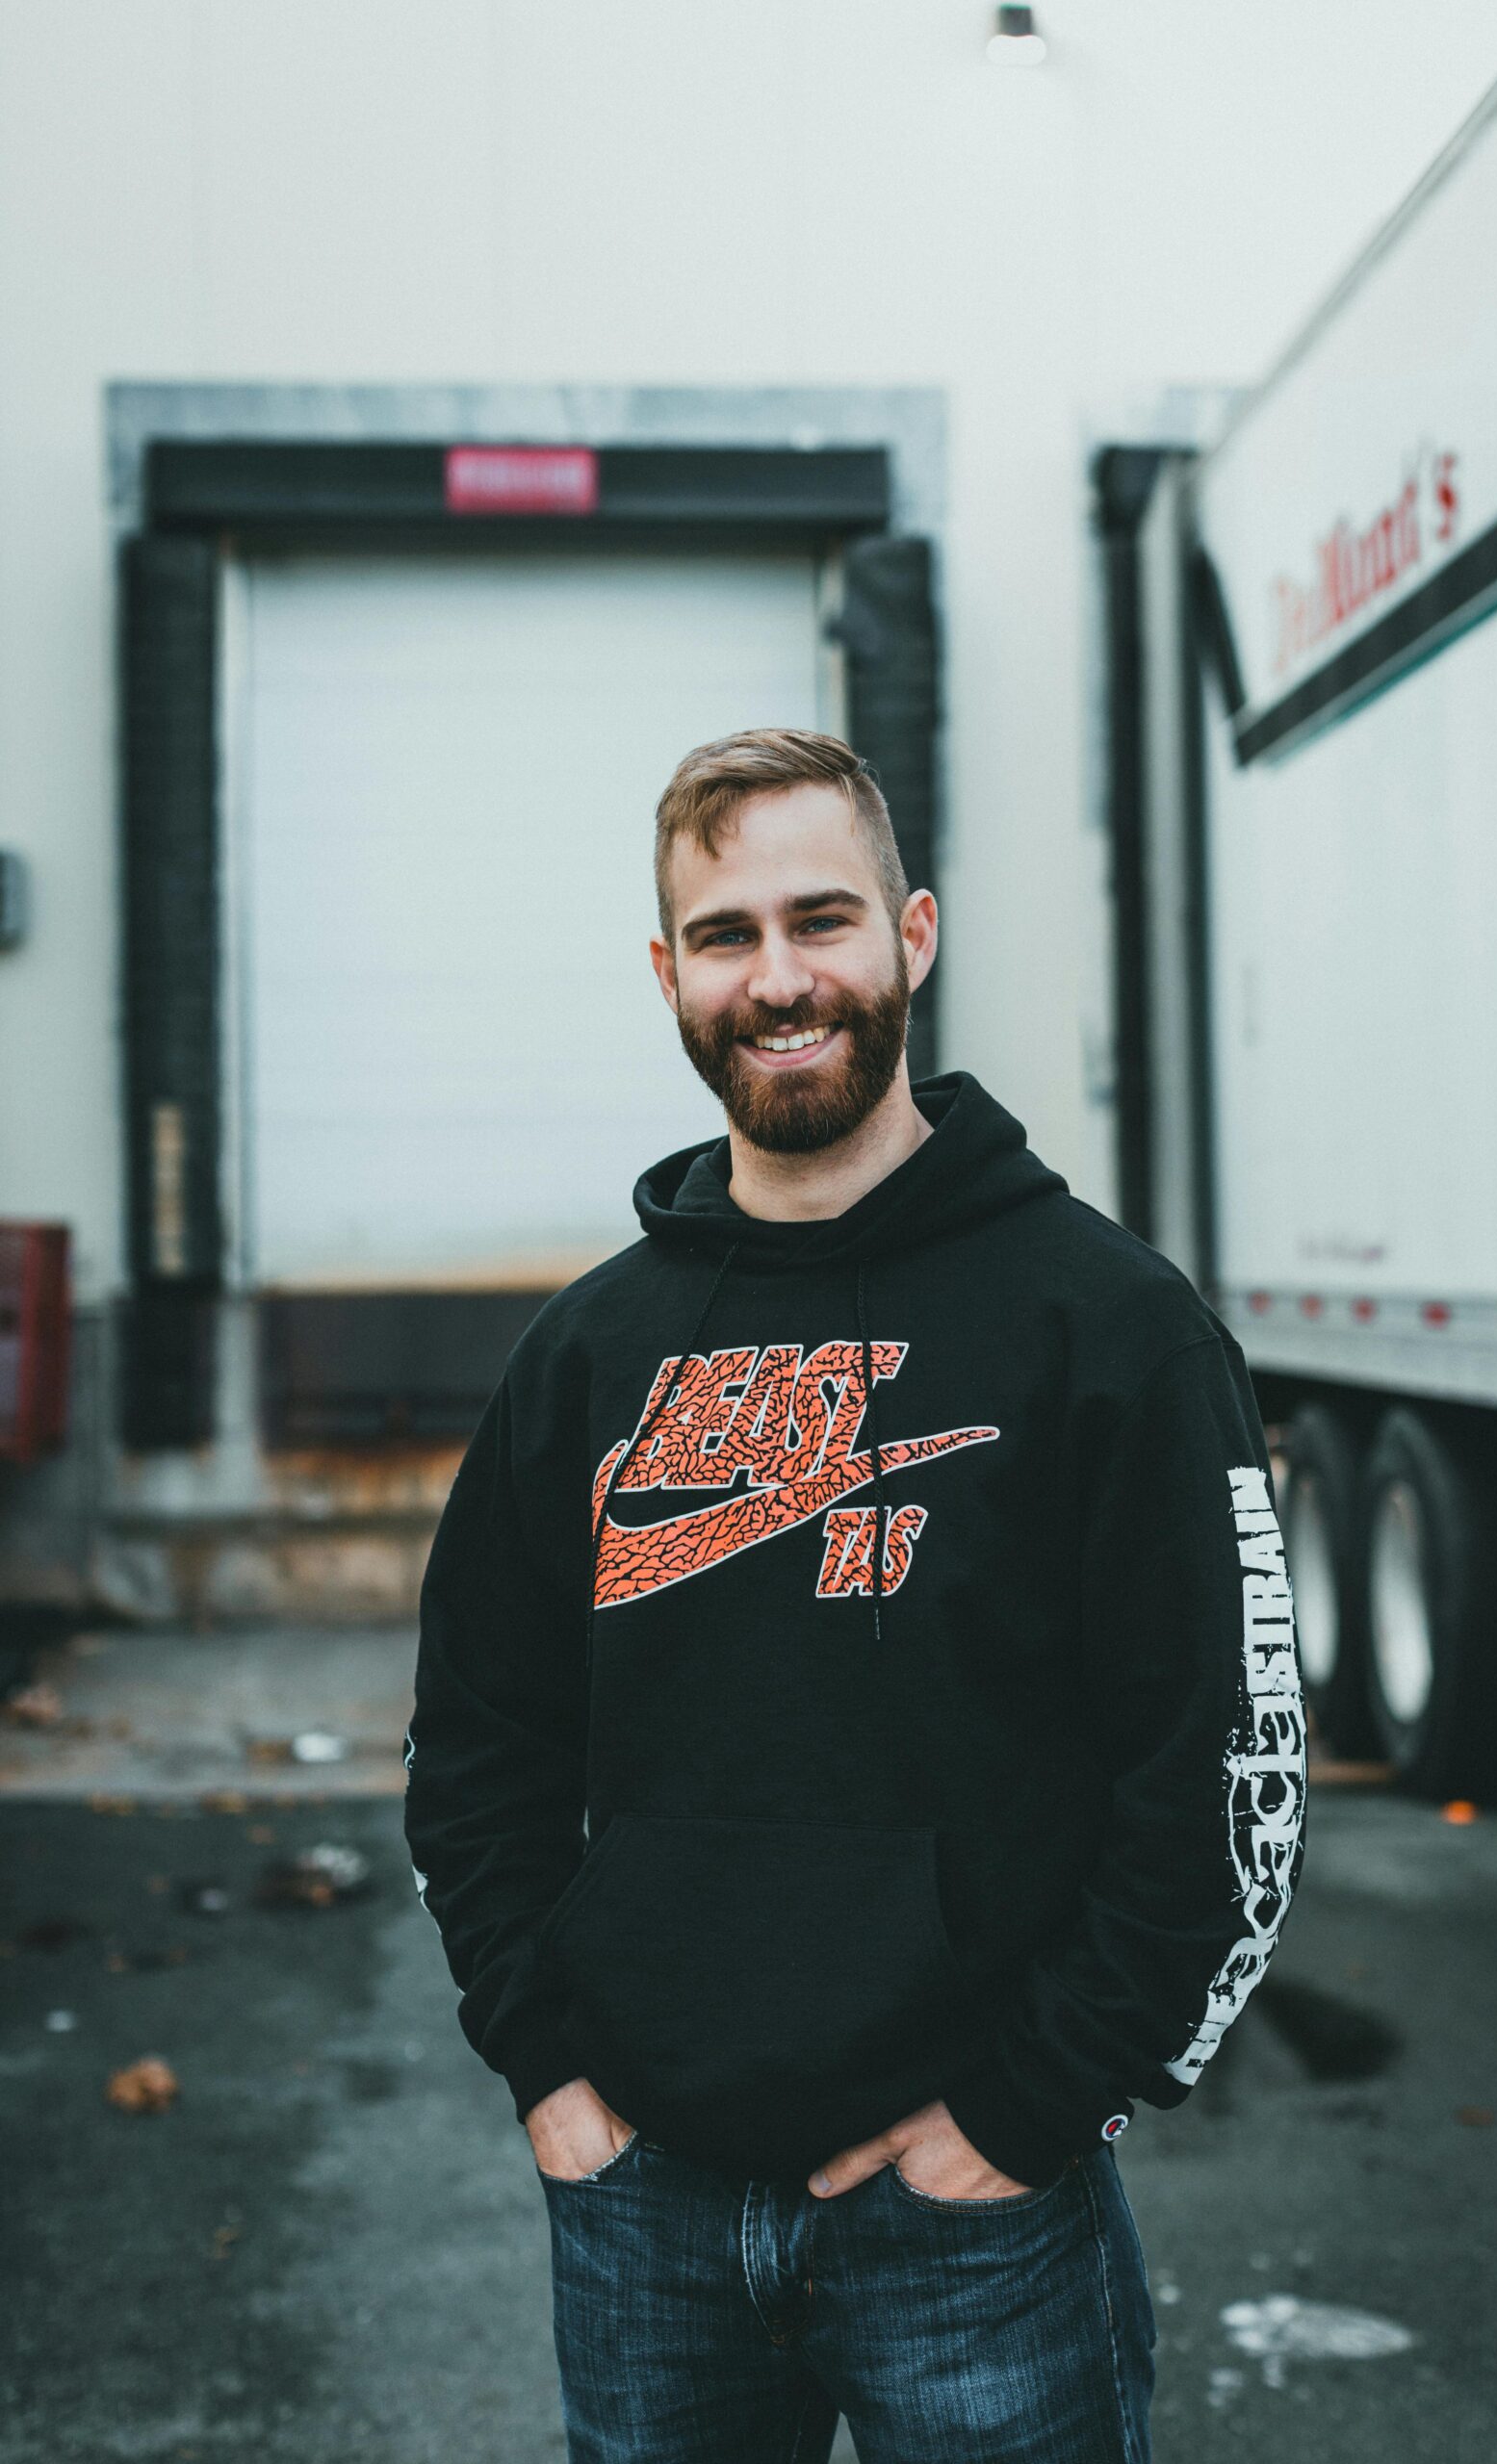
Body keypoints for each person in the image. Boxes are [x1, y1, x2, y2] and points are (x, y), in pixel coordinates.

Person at [402, 727, 1306, 2464]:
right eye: (727, 936)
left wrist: (1035, 2108)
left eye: (823, 918)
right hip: (643, 2205)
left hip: (974, 2219)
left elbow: (1226, 1762)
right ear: (669, 974)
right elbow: (481, 1739)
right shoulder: (588, 1353)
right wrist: (547, 2066)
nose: (780, 978)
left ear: (916, 933)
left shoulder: (1107, 1326)